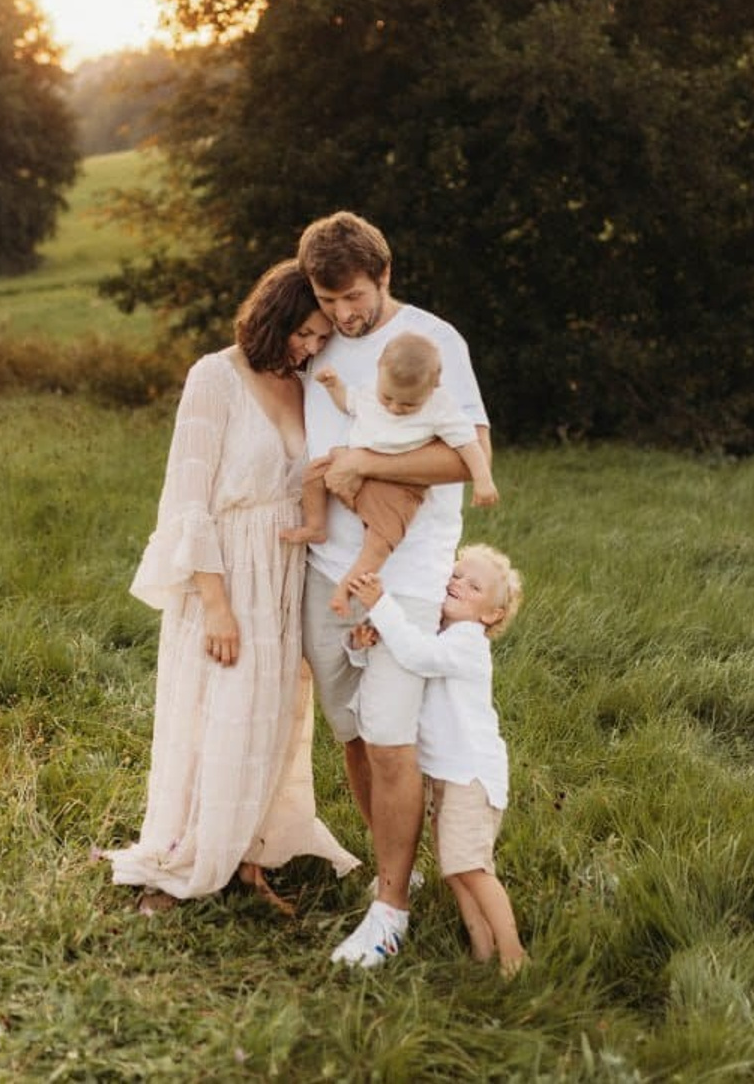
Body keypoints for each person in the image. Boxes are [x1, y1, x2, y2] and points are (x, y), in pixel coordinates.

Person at [96, 260, 360, 915]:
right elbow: (189, 498)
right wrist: (216, 604)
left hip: (284, 572)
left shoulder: (309, 388)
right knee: (215, 716)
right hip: (226, 572)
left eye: (323, 338)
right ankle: (183, 861)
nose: (311, 347)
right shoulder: (216, 377)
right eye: (303, 331)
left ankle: (247, 857)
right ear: (274, 315)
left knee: (271, 719)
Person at [296, 210, 493, 967]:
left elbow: (468, 453)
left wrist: (364, 468)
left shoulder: (433, 341)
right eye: (329, 297)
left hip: (401, 575)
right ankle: (392, 876)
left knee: (390, 740)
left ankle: (391, 911)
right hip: (325, 572)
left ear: (385, 276)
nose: (344, 314)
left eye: (354, 297)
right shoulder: (320, 342)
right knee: (351, 735)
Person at [346, 544, 527, 976]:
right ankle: (482, 950)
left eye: (474, 584)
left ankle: (514, 953)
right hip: (447, 775)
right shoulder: (444, 634)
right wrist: (364, 643)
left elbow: (417, 656)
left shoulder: (466, 641)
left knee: (473, 868)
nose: (457, 583)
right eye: (456, 573)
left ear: (491, 616)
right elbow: (405, 663)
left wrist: (382, 606)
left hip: (470, 776)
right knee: (455, 869)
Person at [283, 329, 498, 617]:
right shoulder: (373, 390)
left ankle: (346, 590)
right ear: (380, 373)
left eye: (408, 405)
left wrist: (483, 481)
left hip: (397, 486)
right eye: (388, 399)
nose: (395, 408)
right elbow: (348, 403)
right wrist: (334, 386)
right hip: (349, 466)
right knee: (313, 474)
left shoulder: (440, 407)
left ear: (433, 386)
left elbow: (468, 444)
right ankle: (316, 526)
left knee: (379, 543)